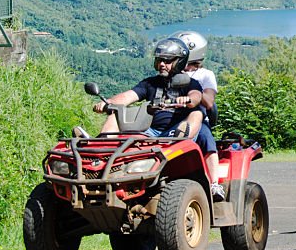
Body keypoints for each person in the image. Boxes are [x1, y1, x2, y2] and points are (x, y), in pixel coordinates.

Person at [94, 37, 225, 200]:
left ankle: (212, 181)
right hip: (151, 131)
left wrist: (189, 100)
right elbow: (129, 96)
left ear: (179, 61)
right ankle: (102, 149)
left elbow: (197, 96)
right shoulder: (151, 83)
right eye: (159, 60)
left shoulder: (190, 83)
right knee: (115, 113)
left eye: (167, 60)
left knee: (198, 113)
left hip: (179, 130)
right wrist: (109, 102)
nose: (162, 64)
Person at [175, 30, 222, 194]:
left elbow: (209, 101)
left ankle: (215, 183)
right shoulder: (171, 73)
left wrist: (193, 92)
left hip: (198, 117)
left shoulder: (205, 75)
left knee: (205, 137)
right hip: (172, 117)